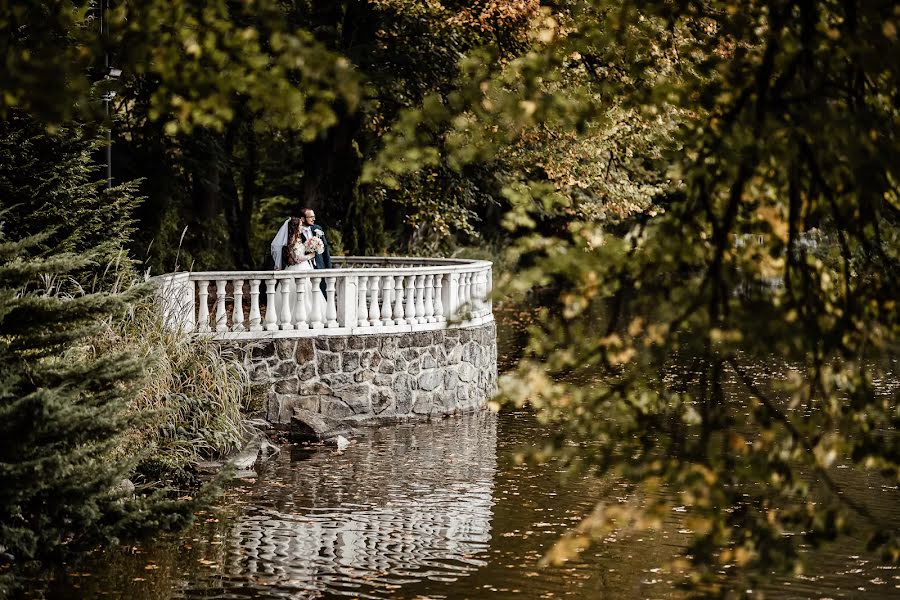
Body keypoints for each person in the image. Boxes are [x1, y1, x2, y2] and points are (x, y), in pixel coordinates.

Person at [271, 217, 316, 325]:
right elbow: (295, 259)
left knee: (307, 294)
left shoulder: (299, 239)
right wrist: (310, 256)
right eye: (300, 225)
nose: (301, 227)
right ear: (295, 227)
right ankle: (295, 319)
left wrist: (311, 247)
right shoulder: (291, 241)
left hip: (305, 268)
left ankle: (309, 316)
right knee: (295, 294)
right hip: (296, 269)